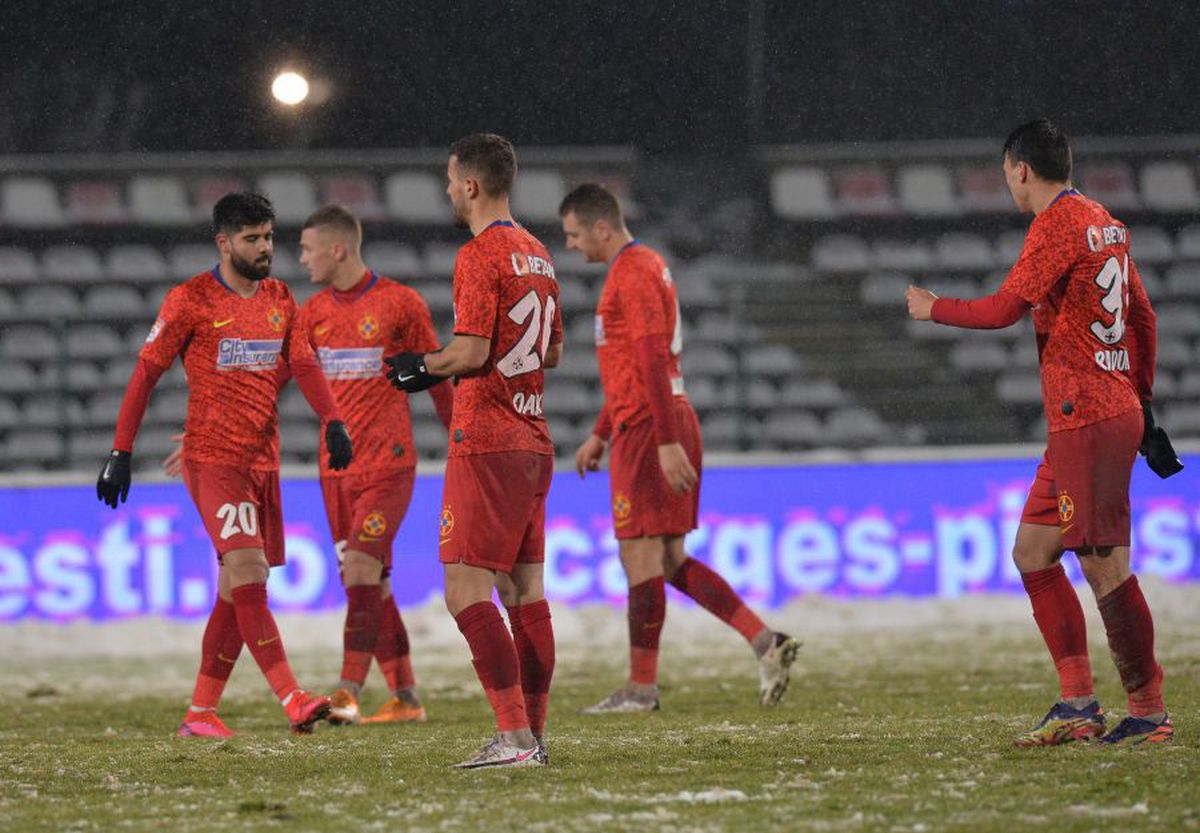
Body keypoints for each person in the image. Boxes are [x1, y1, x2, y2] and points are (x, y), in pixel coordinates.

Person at [906, 119, 1178, 747]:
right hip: (1093, 414)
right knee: (1033, 553)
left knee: (1104, 566)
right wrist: (1141, 400)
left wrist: (933, 306)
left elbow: (1005, 308)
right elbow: (1145, 316)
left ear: (1020, 168)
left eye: (1006, 172)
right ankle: (1079, 704)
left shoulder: (1055, 223)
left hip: (1088, 415)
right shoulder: (1105, 220)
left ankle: (1149, 711)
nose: (1008, 183)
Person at [163, 204, 454, 726]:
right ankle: (406, 697)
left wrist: (459, 437)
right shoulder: (311, 312)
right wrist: (202, 430)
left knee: (363, 569)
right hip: (335, 470)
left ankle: (346, 691)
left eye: (306, 248)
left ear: (337, 249)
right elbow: (273, 376)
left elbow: (438, 370)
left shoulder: (400, 303)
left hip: (388, 462)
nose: (297, 256)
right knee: (371, 583)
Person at [96, 192, 353, 737]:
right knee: (249, 572)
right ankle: (293, 698)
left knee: (234, 590)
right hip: (214, 459)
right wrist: (121, 451)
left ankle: (200, 713)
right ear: (223, 242)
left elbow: (303, 365)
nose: (265, 248)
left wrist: (332, 420)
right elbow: (145, 375)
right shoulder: (190, 300)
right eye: (251, 239)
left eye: (268, 237)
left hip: (264, 461)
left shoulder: (282, 296)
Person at [559, 183, 800, 714]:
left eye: (574, 235)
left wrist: (665, 442)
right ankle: (766, 642)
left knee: (640, 555)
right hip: (645, 420)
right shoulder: (638, 268)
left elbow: (649, 360)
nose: (572, 246)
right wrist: (601, 431)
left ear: (602, 227)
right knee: (666, 558)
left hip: (652, 426)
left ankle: (641, 689)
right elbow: (630, 365)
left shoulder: (635, 271)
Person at [387, 133, 560, 768]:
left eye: (449, 178)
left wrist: (418, 368)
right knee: (526, 595)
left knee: (466, 593)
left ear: (471, 185)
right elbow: (554, 351)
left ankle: (513, 737)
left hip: (486, 441)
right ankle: (534, 738)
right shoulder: (538, 254)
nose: (447, 189)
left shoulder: (480, 254)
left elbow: (472, 351)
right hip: (534, 438)